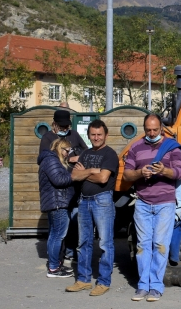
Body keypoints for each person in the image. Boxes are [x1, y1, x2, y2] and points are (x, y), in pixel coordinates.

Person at [123, 114, 181, 302]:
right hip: (142, 203)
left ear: (161, 128)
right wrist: (140, 173)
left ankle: (156, 287)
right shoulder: (136, 147)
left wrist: (163, 171)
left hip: (165, 203)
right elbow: (126, 175)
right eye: (148, 130)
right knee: (142, 246)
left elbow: (180, 172)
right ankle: (143, 285)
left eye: (155, 130)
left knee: (160, 244)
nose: (151, 133)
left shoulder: (171, 147)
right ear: (144, 128)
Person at [65, 120, 119, 297]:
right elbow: (74, 175)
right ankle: (83, 279)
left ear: (106, 135)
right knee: (83, 243)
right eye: (93, 135)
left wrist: (84, 172)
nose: (96, 138)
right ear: (88, 136)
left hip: (102, 200)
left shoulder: (110, 154)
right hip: (84, 201)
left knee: (105, 243)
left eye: (99, 135)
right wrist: (92, 171)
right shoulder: (86, 153)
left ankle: (103, 282)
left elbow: (103, 178)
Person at [39, 109, 88, 267]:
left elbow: (87, 152)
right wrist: (70, 169)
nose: (65, 129)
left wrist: (77, 157)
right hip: (59, 191)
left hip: (73, 188)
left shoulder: (73, 135)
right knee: (58, 231)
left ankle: (69, 254)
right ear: (54, 124)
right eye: (62, 126)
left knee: (72, 224)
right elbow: (47, 163)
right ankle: (55, 261)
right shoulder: (47, 138)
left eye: (67, 126)